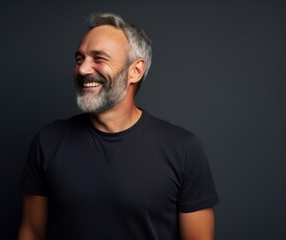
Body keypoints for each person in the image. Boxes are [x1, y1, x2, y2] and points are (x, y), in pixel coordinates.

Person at [18, 12, 219, 240]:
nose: (83, 69)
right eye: (79, 59)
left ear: (135, 70)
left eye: (99, 58)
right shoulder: (48, 141)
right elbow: (32, 232)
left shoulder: (183, 148)